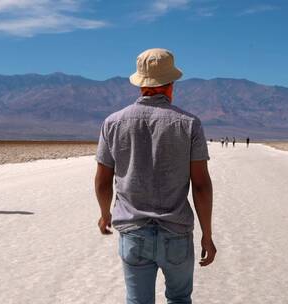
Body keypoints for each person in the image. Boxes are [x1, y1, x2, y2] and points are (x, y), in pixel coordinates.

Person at [94, 48, 216, 304]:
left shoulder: (113, 123)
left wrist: (105, 214)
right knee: (180, 299)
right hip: (176, 233)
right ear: (171, 85)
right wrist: (207, 234)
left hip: (134, 233)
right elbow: (201, 186)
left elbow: (103, 180)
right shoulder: (189, 124)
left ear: (140, 84)